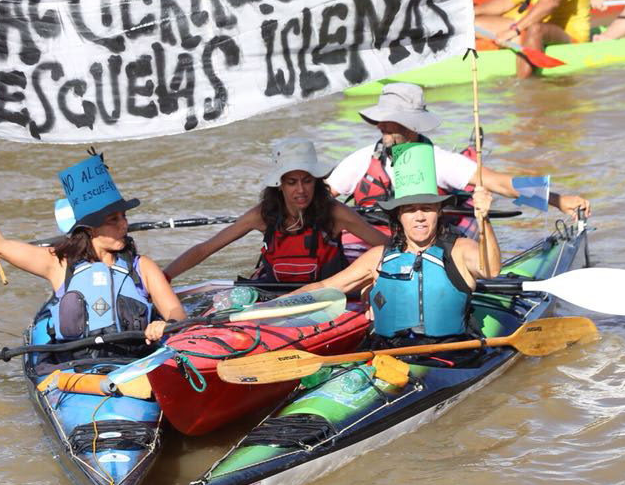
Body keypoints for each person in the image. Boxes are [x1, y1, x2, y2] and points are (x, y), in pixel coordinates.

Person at [0, 151, 185, 350]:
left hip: (134, 362)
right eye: (113, 219)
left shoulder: (142, 266)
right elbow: (0, 247)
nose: (124, 225)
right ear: (90, 229)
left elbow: (175, 311)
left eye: (124, 216)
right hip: (76, 367)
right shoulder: (59, 263)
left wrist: (165, 324)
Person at [326, 82, 592, 250]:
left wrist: (558, 200)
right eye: (380, 119)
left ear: (412, 124)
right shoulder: (361, 159)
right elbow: (320, 196)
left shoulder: (440, 161)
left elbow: (497, 182)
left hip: (425, 242)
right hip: (371, 239)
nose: (380, 125)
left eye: (389, 120)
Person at [305, 143, 500, 345]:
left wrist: (484, 220)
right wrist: (282, 305)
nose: (419, 217)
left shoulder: (461, 249)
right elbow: (325, 286)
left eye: (427, 208)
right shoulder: (377, 257)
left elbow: (491, 270)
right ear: (399, 215)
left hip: (449, 354)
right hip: (389, 353)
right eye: (410, 210)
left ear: (439, 212)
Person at [163, 138, 388, 281]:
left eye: (307, 181)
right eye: (292, 182)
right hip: (275, 294)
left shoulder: (335, 213)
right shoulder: (262, 215)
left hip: (330, 296)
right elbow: (205, 249)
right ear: (279, 185)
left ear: (316, 181)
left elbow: (387, 247)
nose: (301, 190)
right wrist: (164, 277)